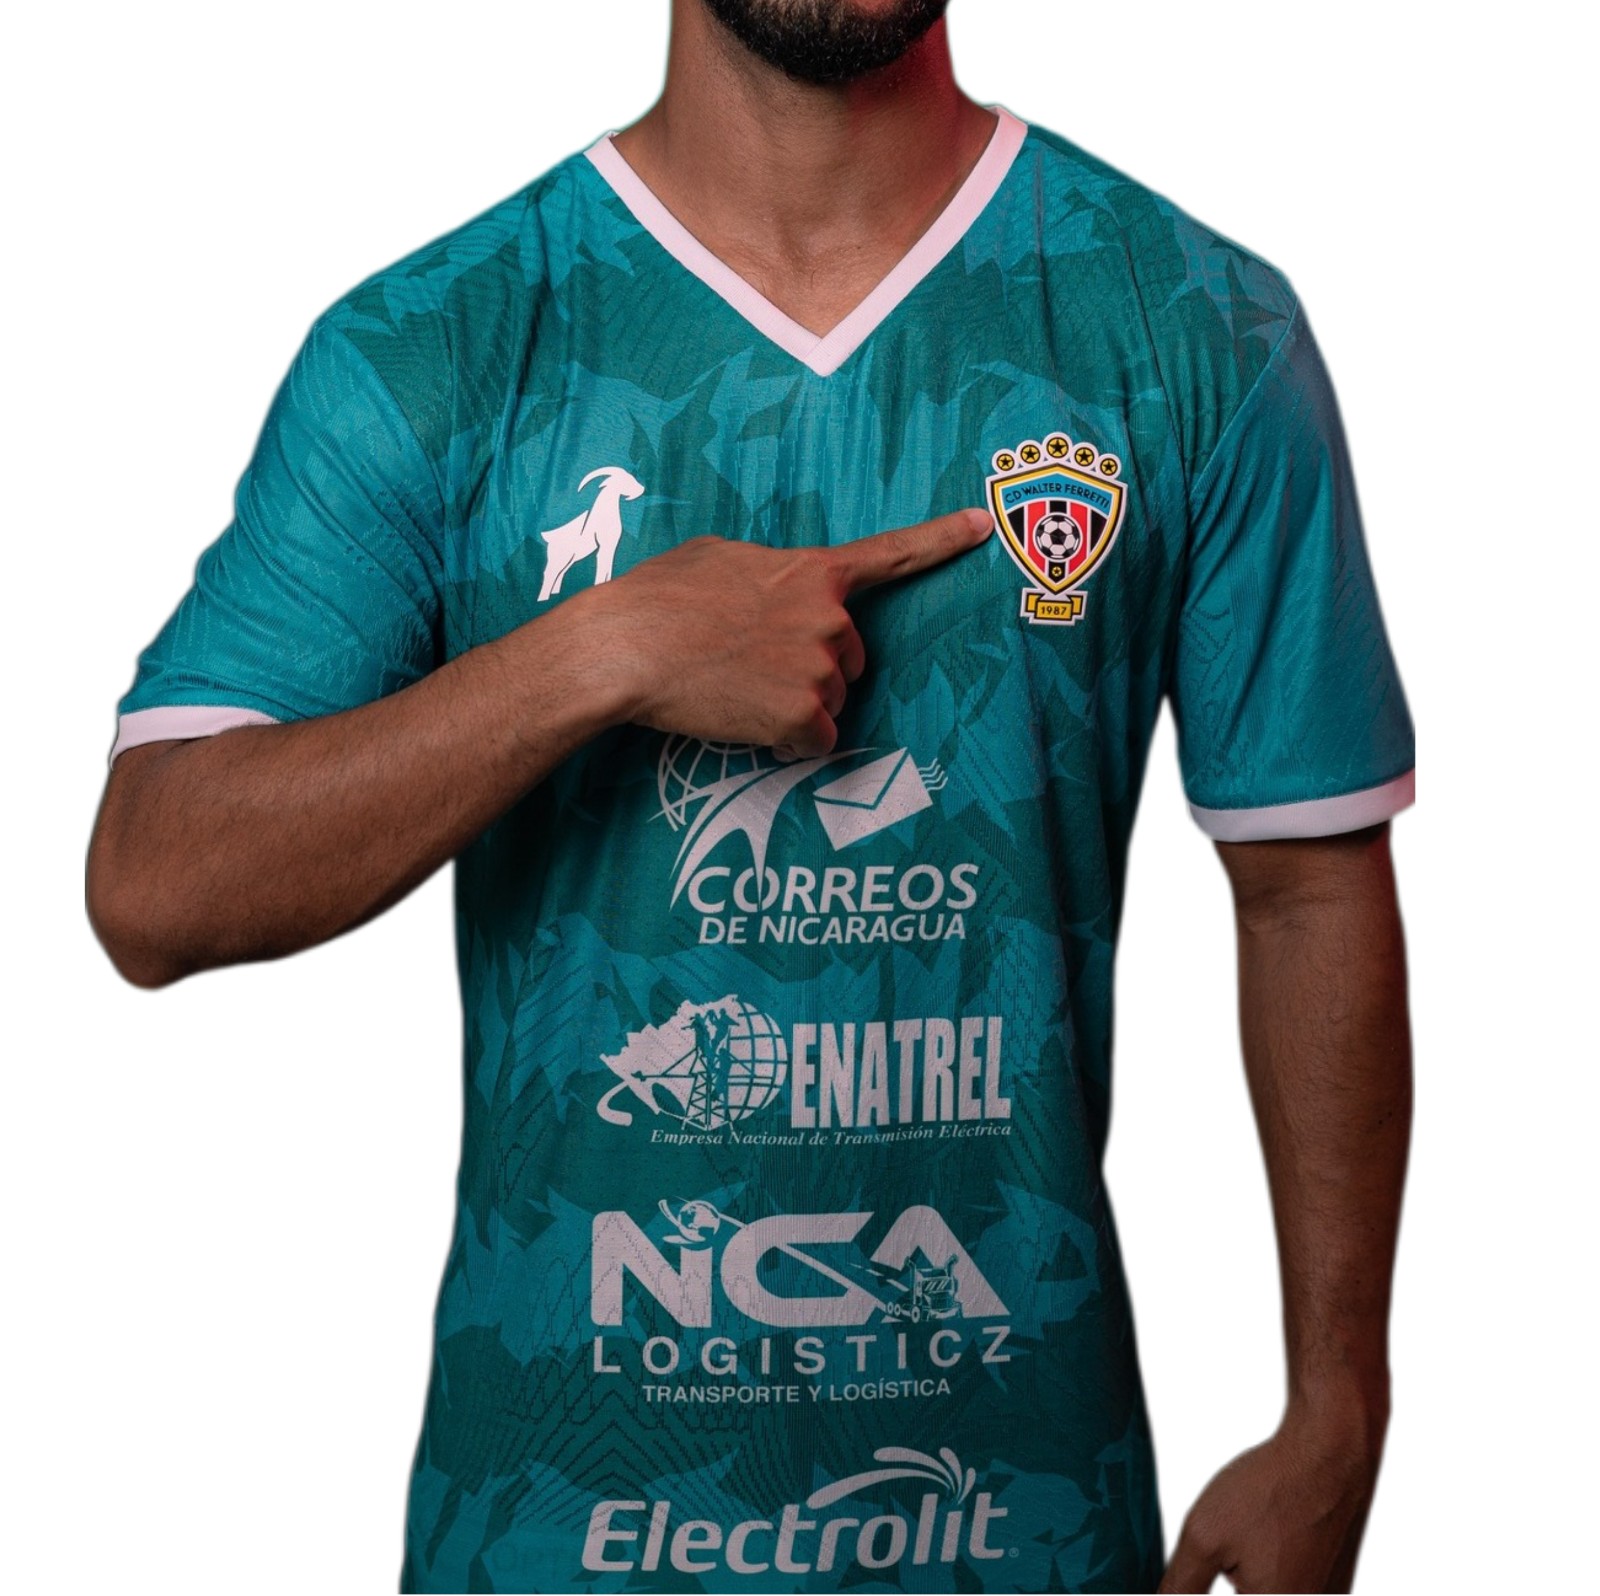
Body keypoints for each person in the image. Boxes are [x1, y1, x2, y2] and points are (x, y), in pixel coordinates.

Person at [86, 1, 1415, 1590]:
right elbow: (155, 882)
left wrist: (1337, 1411)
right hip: (559, 1533)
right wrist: (602, 652)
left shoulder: (1194, 327)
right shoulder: (441, 344)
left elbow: (1307, 879)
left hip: (1025, 1526)